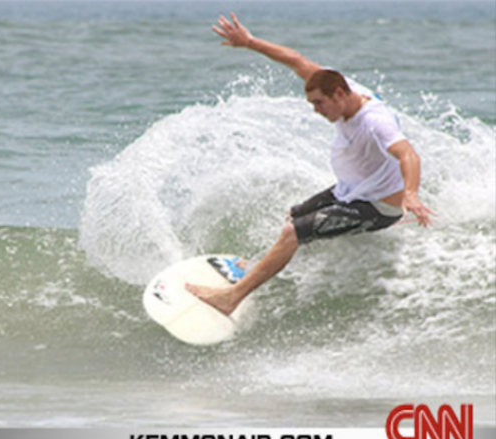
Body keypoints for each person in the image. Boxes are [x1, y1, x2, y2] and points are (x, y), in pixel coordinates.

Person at [186, 13, 435, 317]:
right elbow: (296, 60)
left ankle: (231, 298)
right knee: (295, 215)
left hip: (377, 207)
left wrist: (411, 193)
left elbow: (408, 154)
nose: (316, 111)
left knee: (293, 232)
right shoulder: (338, 85)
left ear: (340, 94)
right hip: (353, 190)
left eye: (319, 103)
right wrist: (250, 42)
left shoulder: (374, 121)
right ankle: (260, 267)